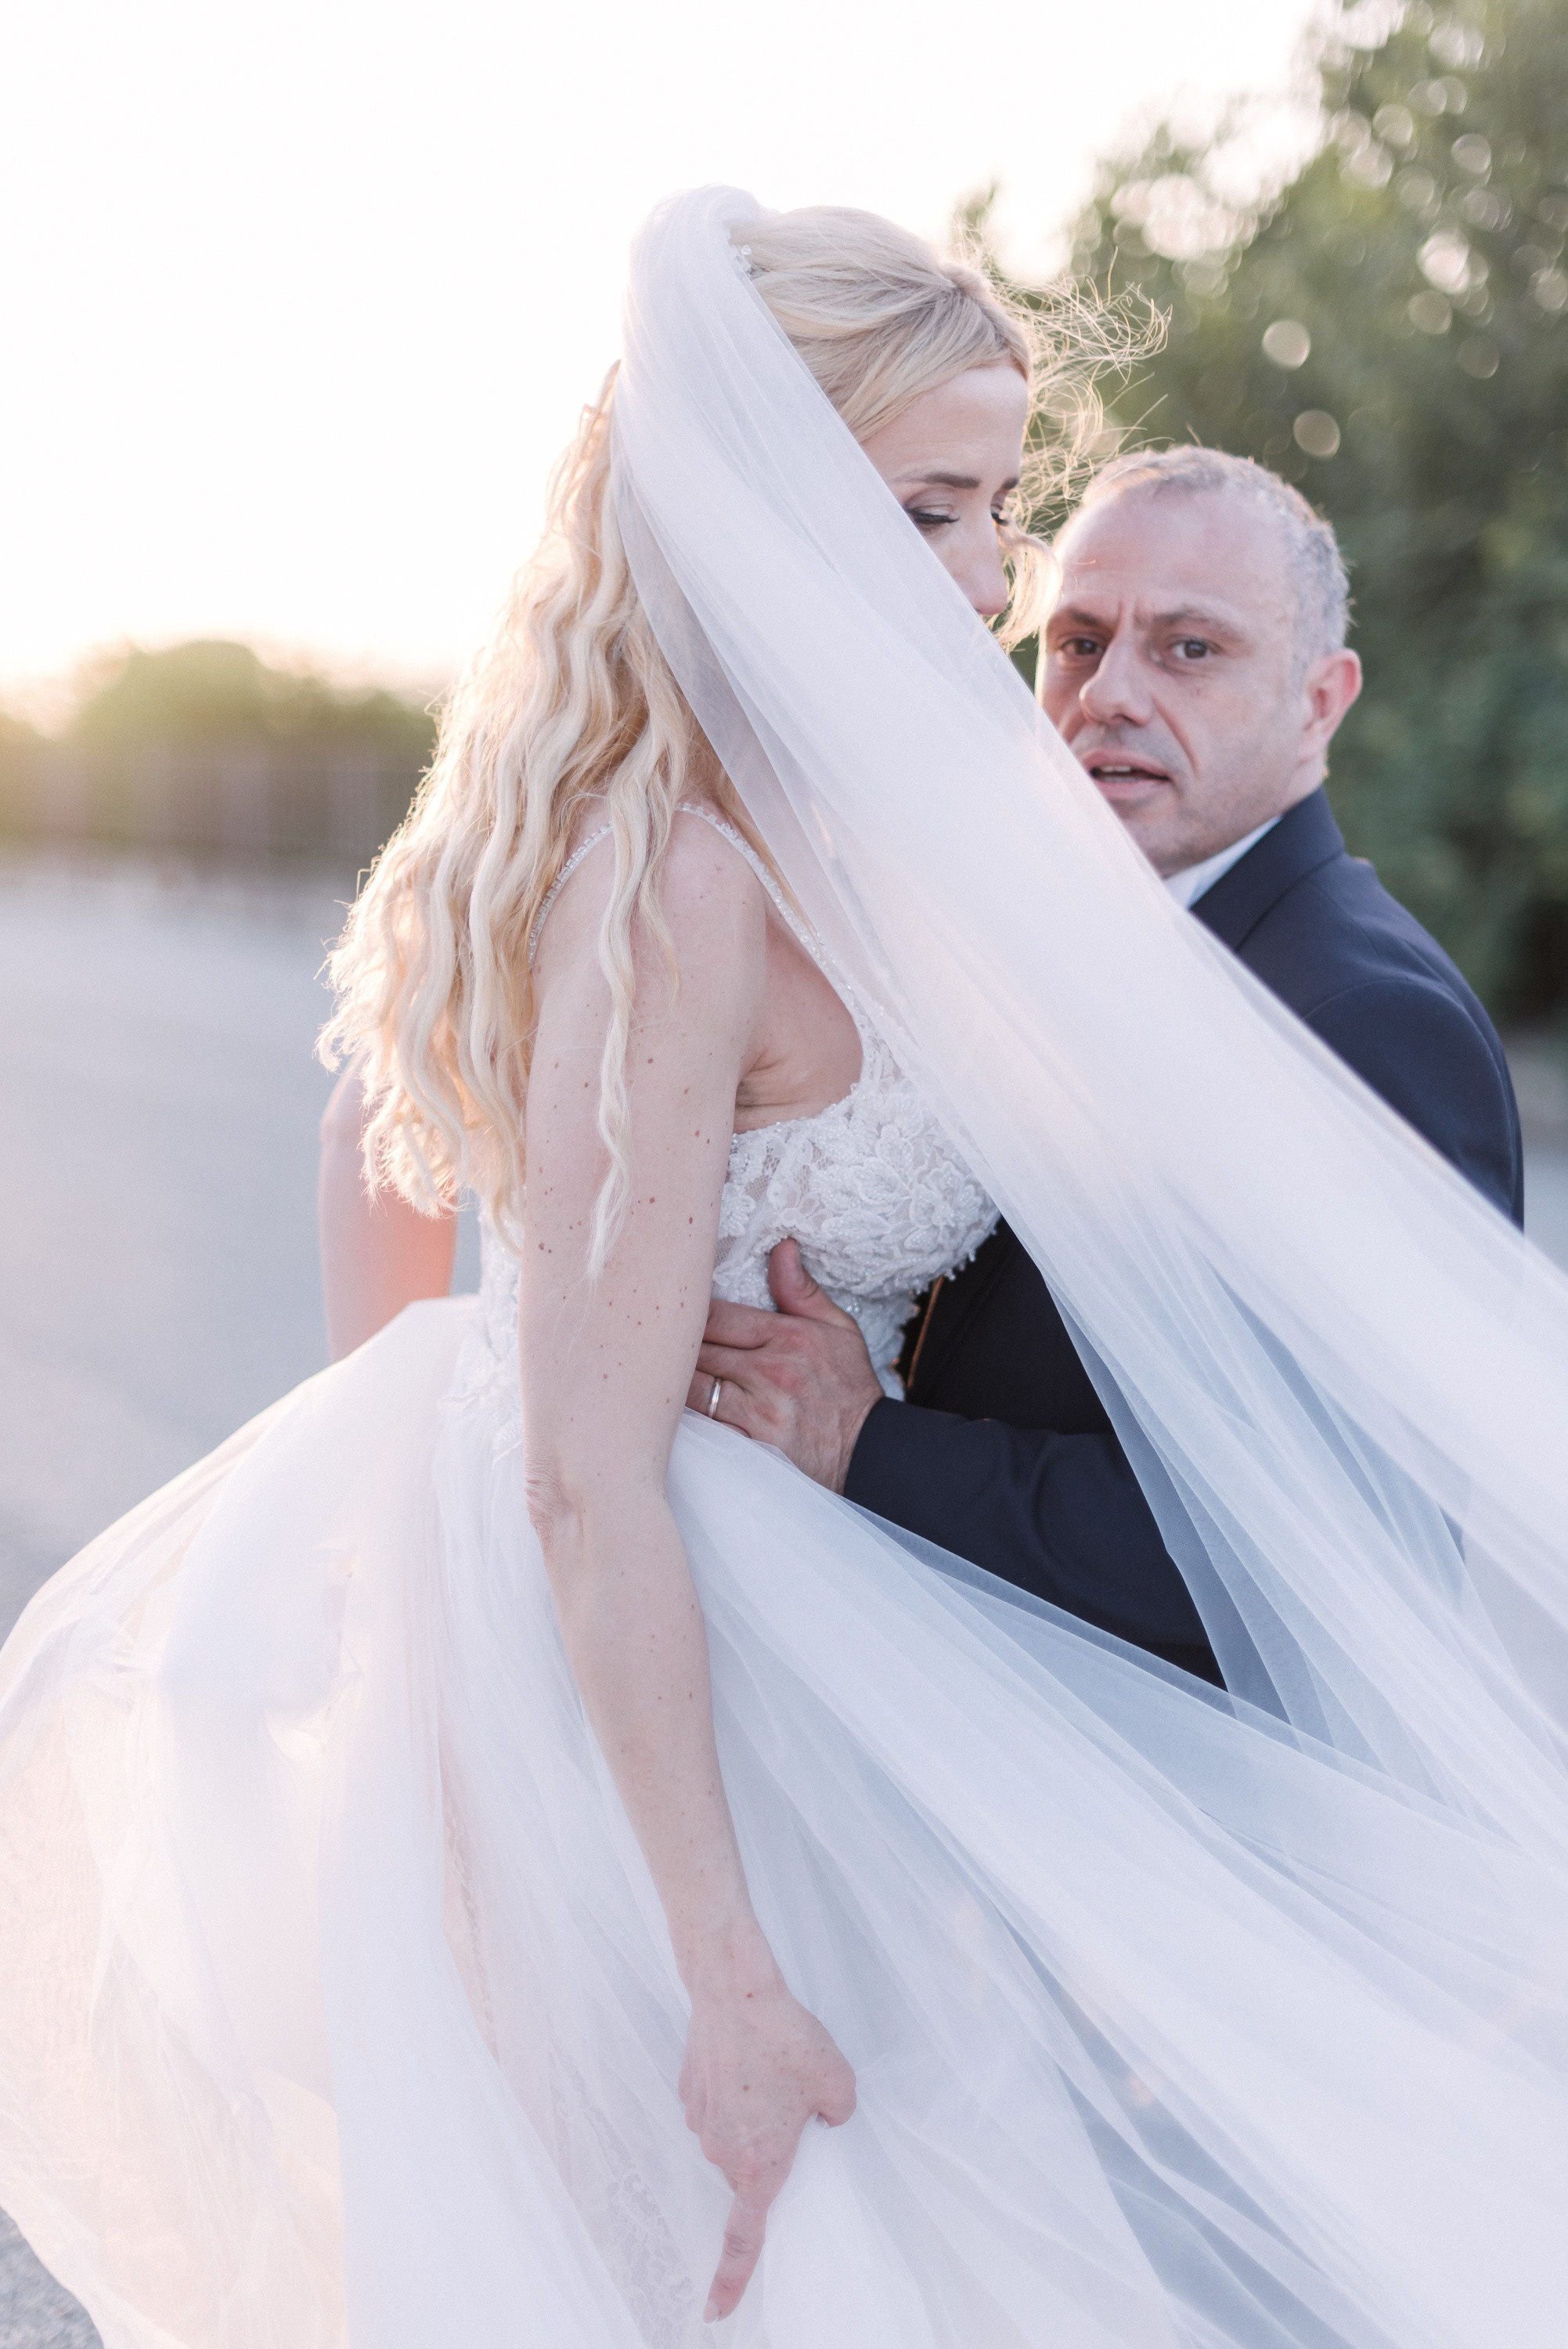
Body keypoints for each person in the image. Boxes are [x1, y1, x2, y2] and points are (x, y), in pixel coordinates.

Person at [1, 191, 1564, 2349]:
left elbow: (405, 1096)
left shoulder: (889, 813)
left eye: (997, 508)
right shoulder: (681, 877)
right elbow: (573, 1460)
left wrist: (454, 1396)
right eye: (936, 511)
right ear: (769, 505)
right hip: (659, 1674)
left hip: (818, 1630)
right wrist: (453, 1493)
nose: (996, 581)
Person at [691, 448, 1523, 1683]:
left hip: (1168, 1773)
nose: (1110, 694)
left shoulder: (1363, 1021)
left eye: (1190, 648)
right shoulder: (1043, 939)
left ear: (1321, 699)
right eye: (1078, 642)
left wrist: (868, 1444)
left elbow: (1333, 1552)